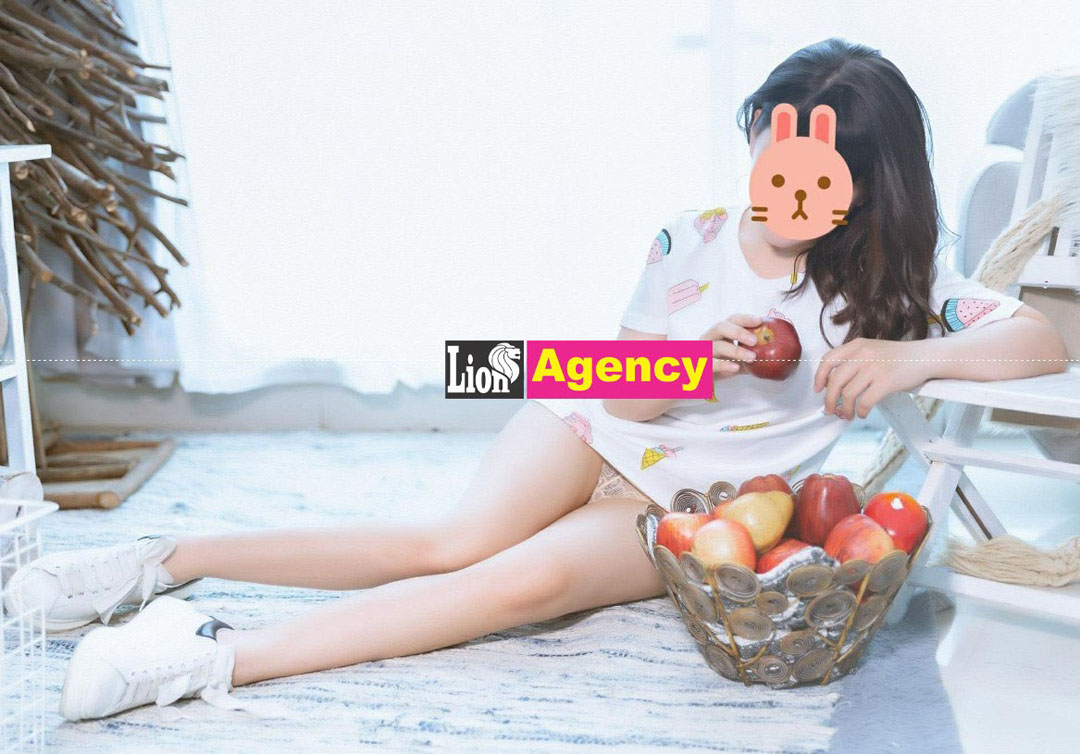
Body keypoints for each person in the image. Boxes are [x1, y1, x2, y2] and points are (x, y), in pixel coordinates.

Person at [6, 38, 1067, 721]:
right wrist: (701, 356)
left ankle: (208, 656)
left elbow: (1043, 343)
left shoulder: (904, 283)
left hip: (685, 507)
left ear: (864, 188)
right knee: (444, 542)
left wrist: (908, 354)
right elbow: (620, 389)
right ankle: (160, 558)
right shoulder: (691, 238)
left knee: (501, 588)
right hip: (600, 427)